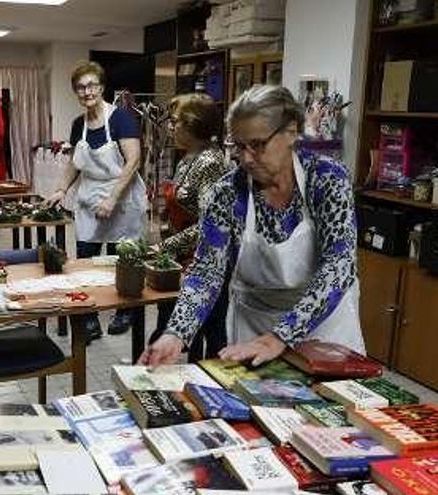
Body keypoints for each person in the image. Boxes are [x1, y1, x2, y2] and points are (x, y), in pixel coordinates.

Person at [139, 85, 363, 367]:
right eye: (238, 146)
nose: (245, 158)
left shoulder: (327, 178)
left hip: (324, 331)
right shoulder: (227, 193)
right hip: (253, 330)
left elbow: (339, 266)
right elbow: (207, 271)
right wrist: (176, 332)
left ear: (291, 132)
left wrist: (281, 335)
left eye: (257, 145)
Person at [46, 61, 146, 340]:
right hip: (90, 198)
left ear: (101, 87)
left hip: (122, 197)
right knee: (85, 260)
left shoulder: (121, 118)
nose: (86, 91)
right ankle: (88, 316)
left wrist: (113, 198)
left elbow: (134, 160)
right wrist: (61, 189)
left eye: (91, 85)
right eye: (80, 87)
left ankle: (125, 310)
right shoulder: (79, 124)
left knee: (122, 258)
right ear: (75, 92)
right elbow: (75, 163)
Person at [149, 93, 231, 361]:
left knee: (209, 334)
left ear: (194, 124)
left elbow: (210, 225)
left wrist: (164, 245)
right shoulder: (186, 158)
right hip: (179, 257)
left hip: (203, 260)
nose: (170, 127)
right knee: (173, 328)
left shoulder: (210, 163)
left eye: (175, 122)